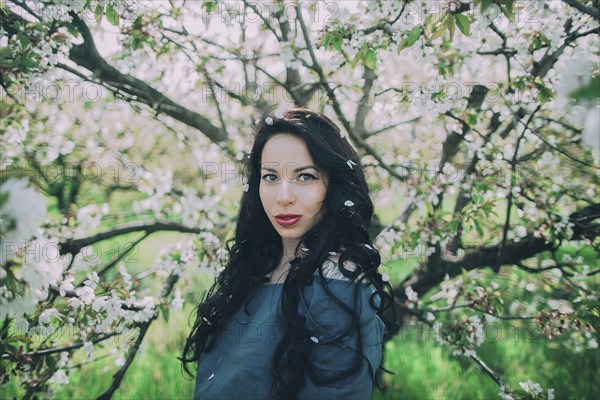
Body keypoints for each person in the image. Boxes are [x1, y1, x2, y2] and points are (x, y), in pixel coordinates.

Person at [181, 108, 398, 399]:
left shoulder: (336, 284)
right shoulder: (255, 265)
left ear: (333, 184)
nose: (283, 196)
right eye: (270, 177)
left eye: (305, 176)